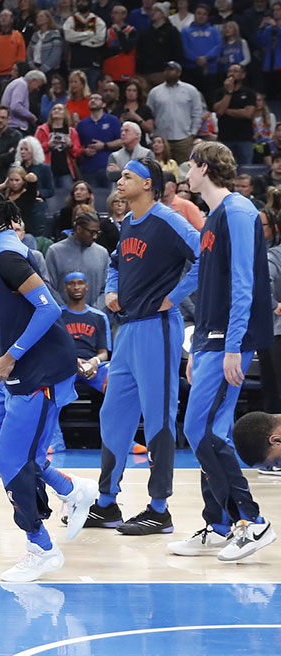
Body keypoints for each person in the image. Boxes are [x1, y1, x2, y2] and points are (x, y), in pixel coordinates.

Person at [0, 187, 98, 582]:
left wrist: (10, 354)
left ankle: (40, 546)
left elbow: (49, 307)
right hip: (16, 372)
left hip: (38, 373)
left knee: (12, 459)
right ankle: (69, 488)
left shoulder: (7, 254)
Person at [168, 141, 276, 560]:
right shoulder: (214, 217)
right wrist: (196, 346)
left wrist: (233, 346)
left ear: (204, 168)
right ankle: (218, 525)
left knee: (204, 431)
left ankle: (253, 520)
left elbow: (246, 284)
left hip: (230, 341)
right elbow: (212, 289)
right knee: (204, 431)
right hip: (210, 339)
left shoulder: (238, 211)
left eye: (189, 167)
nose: (185, 175)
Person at [91, 158, 200, 534]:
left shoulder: (169, 220)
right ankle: (106, 503)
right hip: (127, 331)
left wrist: (176, 295)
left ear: (149, 183)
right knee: (112, 416)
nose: (119, 181)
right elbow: (117, 263)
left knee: (158, 417)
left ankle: (159, 509)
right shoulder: (126, 223)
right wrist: (110, 289)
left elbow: (206, 255)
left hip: (158, 328)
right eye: (120, 175)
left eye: (127, 176)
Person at [45, 272, 113, 453]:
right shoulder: (57, 315)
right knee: (47, 385)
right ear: (65, 288)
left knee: (120, 384)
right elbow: (52, 350)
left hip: (93, 367)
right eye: (72, 284)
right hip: (65, 365)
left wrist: (93, 362)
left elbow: (104, 353)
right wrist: (72, 360)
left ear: (87, 287)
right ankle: (54, 442)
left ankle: (121, 442)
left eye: (80, 283)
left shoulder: (99, 317)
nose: (76, 287)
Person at [45, 210, 109, 305]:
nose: (95, 237)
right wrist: (66, 312)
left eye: (97, 233)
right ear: (78, 229)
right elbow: (50, 287)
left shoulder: (102, 253)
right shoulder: (55, 251)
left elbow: (106, 288)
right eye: (91, 232)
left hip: (94, 316)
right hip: (62, 316)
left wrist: (93, 312)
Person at [146, 61, 205, 164]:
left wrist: (193, 133)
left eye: (171, 69)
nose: (168, 72)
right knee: (162, 168)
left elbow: (197, 113)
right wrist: (153, 134)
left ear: (178, 72)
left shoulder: (190, 90)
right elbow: (149, 114)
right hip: (162, 138)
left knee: (185, 168)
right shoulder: (155, 92)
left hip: (184, 138)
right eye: (166, 70)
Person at [211, 63, 257, 167]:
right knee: (224, 168)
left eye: (235, 71)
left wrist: (225, 110)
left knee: (246, 168)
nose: (231, 74)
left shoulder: (249, 93)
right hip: (225, 138)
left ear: (243, 75)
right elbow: (219, 112)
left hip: (244, 139)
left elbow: (248, 113)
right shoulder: (219, 93)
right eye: (230, 71)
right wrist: (228, 92)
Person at [76, 92, 122, 188]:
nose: (92, 100)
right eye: (91, 99)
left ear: (104, 104)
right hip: (88, 169)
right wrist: (84, 151)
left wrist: (104, 145)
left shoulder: (113, 120)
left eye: (96, 99)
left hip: (109, 168)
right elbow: (77, 145)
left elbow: (121, 141)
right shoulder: (82, 124)